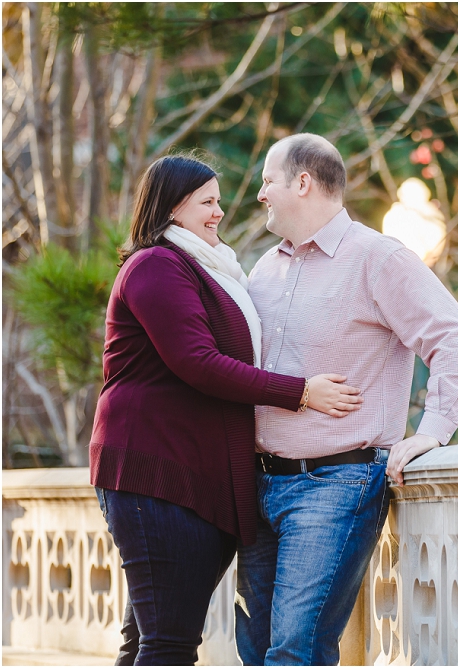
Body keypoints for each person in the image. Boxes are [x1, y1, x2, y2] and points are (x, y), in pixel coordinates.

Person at [90, 155, 363, 665]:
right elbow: (198, 363)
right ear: (172, 207)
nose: (219, 212)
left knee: (150, 641)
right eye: (207, 202)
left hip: (189, 477)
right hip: (157, 474)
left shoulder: (203, 267)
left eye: (218, 201)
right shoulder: (156, 266)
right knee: (168, 645)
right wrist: (300, 392)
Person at [235, 134, 458, 665]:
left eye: (267, 182)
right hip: (256, 487)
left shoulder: (378, 258)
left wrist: (431, 432)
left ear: (302, 183)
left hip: (335, 484)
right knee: (253, 652)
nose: (260, 195)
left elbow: (456, 339)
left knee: (295, 649)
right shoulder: (264, 269)